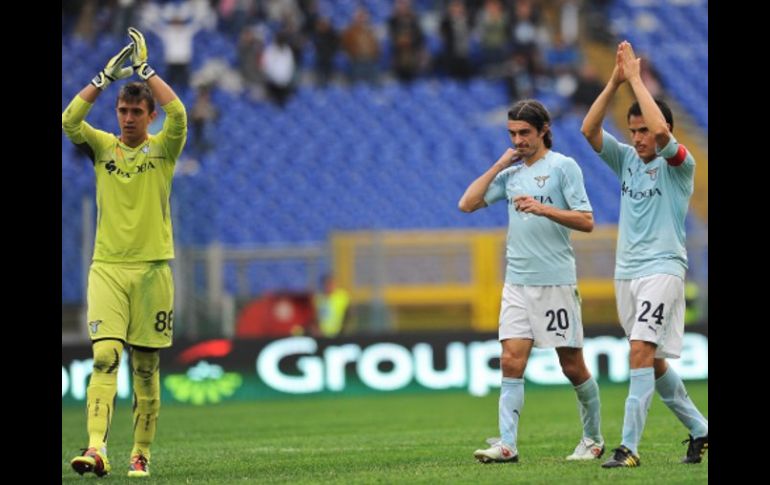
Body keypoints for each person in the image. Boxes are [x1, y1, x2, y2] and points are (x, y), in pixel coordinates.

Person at [62, 27, 187, 478]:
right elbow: (69, 122)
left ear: (149, 116)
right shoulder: (101, 147)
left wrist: (144, 70)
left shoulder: (164, 149)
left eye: (136, 110)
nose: (128, 117)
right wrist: (103, 77)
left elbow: (180, 115)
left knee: (148, 368)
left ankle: (140, 452)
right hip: (108, 270)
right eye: (123, 109)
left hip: (153, 271)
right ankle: (96, 449)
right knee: (104, 356)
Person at [580, 41, 708, 468]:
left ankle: (629, 448)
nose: (637, 139)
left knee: (638, 350)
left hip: (663, 268)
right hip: (627, 271)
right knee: (651, 362)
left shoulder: (679, 165)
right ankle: (702, 430)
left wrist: (635, 78)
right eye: (633, 132)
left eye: (644, 132)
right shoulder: (627, 161)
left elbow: (666, 134)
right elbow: (589, 131)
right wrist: (615, 81)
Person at [459, 99, 604, 463]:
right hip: (517, 282)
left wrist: (543, 208)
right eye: (512, 133)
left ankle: (593, 438)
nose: (519, 140)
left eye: (525, 133)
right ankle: (507, 445)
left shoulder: (563, 168)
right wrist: (498, 165)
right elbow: (467, 203)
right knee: (511, 360)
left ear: (543, 130)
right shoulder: (510, 174)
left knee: (571, 365)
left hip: (555, 281)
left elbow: (586, 221)